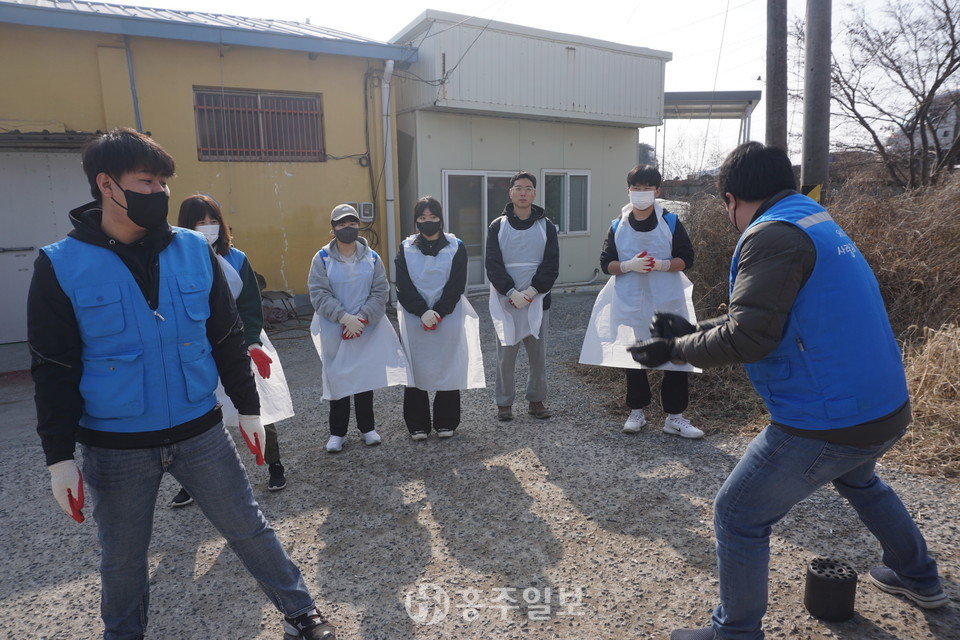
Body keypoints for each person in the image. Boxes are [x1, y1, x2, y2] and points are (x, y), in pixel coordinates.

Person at [629, 141, 947, 640]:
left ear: (731, 199)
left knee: (737, 513)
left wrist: (674, 350)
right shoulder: (813, 219)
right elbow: (772, 317)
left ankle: (734, 633)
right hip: (882, 404)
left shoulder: (771, 235)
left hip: (829, 417)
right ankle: (918, 576)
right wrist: (691, 332)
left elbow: (751, 337)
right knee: (860, 480)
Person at [27, 127, 335, 640]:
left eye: (164, 183)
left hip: (200, 432)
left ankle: (301, 612)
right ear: (106, 184)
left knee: (248, 527)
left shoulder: (193, 250)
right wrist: (58, 457)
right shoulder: (60, 264)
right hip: (116, 445)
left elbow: (226, 336)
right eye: (146, 182)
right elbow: (53, 367)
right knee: (122, 557)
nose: (160, 193)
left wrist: (248, 408)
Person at [168, 194, 295, 507]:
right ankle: (192, 482)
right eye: (200, 221)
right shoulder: (174, 259)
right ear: (186, 225)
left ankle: (274, 464)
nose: (208, 226)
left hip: (238, 342)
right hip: (196, 348)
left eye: (213, 220)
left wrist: (252, 342)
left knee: (255, 403)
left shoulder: (236, 258)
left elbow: (250, 305)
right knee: (197, 414)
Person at [579, 165, 703, 439]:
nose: (641, 193)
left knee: (675, 354)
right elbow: (606, 264)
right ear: (628, 190)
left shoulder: (671, 222)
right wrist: (628, 265)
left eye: (647, 188)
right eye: (637, 188)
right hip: (631, 298)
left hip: (667, 298)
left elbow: (687, 258)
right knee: (634, 355)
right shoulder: (618, 226)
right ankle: (637, 411)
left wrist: (662, 264)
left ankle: (675, 417)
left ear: (657, 191)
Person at [308, 204, 408, 452]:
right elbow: (319, 293)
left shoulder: (372, 258)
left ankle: (367, 428)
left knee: (365, 377)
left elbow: (380, 291)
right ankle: (337, 433)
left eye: (352, 223)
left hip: (366, 328)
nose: (348, 228)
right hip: (335, 329)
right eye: (341, 224)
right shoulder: (322, 258)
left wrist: (361, 319)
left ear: (359, 226)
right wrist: (344, 318)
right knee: (338, 378)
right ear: (332, 229)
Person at [395, 196, 485, 440]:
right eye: (422, 217)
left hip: (448, 314)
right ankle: (417, 424)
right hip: (415, 317)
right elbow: (403, 284)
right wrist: (422, 311)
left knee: (448, 364)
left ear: (441, 219)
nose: (428, 221)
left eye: (433, 217)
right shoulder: (406, 248)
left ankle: (446, 421)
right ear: (416, 221)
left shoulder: (456, 246)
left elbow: (456, 284)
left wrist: (438, 312)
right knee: (416, 367)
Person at [485, 171, 560, 421]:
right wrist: (510, 291)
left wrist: (531, 291)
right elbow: (493, 264)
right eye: (518, 188)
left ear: (534, 194)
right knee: (505, 357)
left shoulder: (546, 226)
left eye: (528, 188)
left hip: (537, 300)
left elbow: (551, 264)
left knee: (538, 357)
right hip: (506, 301)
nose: (523, 193)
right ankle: (504, 403)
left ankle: (536, 400)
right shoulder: (498, 226)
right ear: (511, 193)